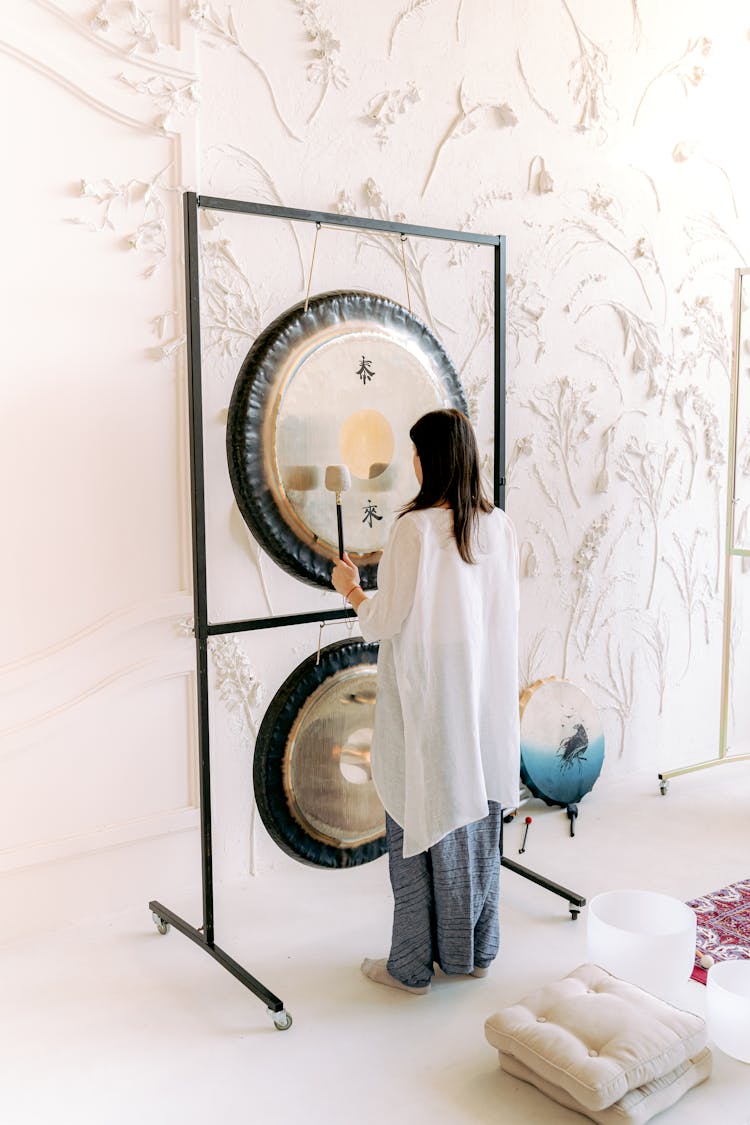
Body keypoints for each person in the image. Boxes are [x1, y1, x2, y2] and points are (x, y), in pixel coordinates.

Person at [331, 408, 520, 995]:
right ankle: (474, 951)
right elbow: (502, 617)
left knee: (420, 810)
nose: (411, 461)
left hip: (432, 696)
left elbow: (387, 619)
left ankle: (411, 964)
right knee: (475, 813)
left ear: (427, 459)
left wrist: (351, 590)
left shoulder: (414, 529)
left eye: (415, 452)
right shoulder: (498, 526)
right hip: (482, 694)